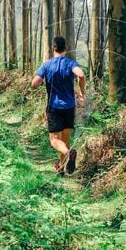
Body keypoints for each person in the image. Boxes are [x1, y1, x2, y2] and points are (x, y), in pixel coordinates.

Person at [32, 36, 86, 175]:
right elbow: (81, 75)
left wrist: (43, 82)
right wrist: (81, 93)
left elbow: (35, 83)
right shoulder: (70, 63)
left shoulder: (47, 65)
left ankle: (69, 154)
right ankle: (61, 168)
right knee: (65, 140)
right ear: (65, 49)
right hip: (69, 107)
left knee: (55, 141)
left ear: (53, 48)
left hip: (54, 108)